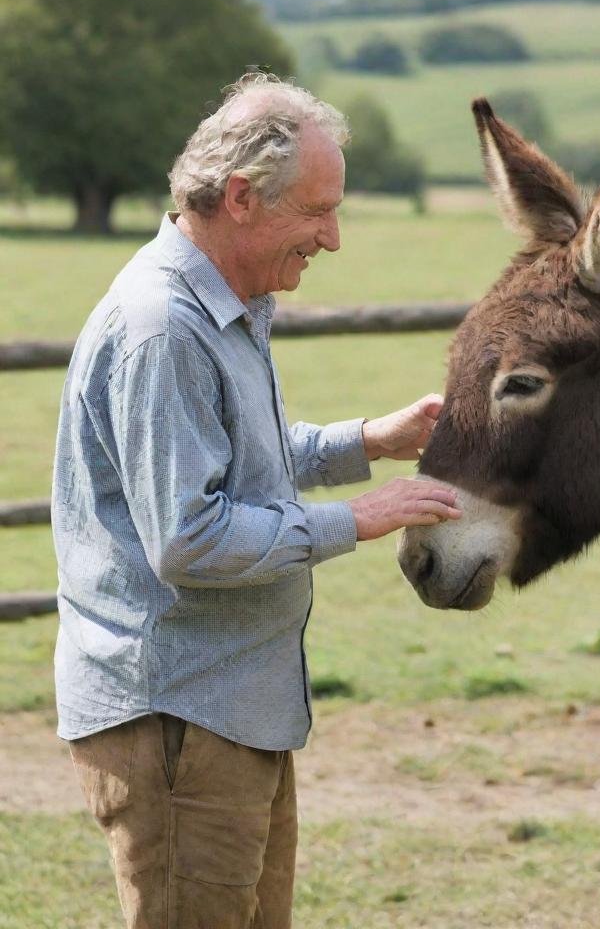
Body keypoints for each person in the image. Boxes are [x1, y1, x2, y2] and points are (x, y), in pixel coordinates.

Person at [51, 72, 461, 929]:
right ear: (241, 197)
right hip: (179, 725)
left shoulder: (225, 306)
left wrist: (368, 440)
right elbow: (189, 538)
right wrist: (360, 518)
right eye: (317, 211)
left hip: (227, 714)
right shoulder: (164, 327)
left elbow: (241, 468)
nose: (334, 237)